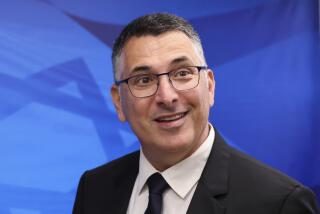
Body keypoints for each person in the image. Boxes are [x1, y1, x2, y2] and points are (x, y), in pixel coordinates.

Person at [73, 13, 319, 214]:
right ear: (118, 102)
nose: (167, 96)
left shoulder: (279, 203)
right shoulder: (94, 189)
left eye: (182, 73)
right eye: (144, 80)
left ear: (209, 86)